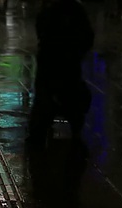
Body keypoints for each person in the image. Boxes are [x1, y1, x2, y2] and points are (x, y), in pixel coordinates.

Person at [27, 0, 94, 149]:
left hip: (51, 59)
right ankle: (74, 131)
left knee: (45, 98)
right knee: (69, 96)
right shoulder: (75, 10)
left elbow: (41, 29)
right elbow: (88, 36)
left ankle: (39, 133)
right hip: (68, 61)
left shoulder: (50, 9)